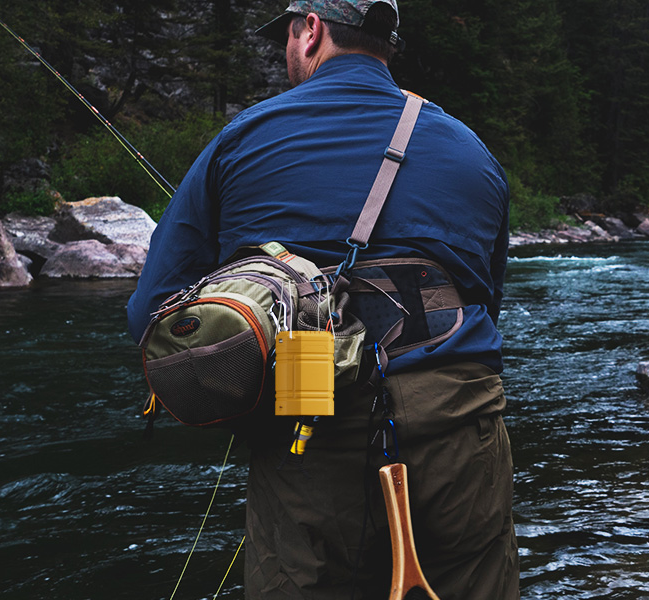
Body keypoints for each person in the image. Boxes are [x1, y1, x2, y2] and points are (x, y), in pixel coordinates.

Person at [124, 1, 518, 598]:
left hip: (308, 425)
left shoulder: (242, 138)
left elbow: (150, 311)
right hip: (460, 426)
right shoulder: (471, 151)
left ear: (310, 30)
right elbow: (488, 300)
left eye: (287, 33)